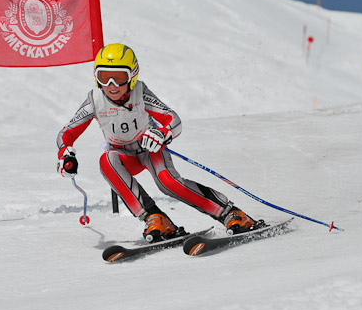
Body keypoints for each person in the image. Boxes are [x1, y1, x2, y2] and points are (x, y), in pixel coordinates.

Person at [56, 43, 263, 242]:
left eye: (119, 78)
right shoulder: (95, 99)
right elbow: (67, 132)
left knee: (167, 182)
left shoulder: (140, 92)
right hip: (123, 156)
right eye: (104, 77)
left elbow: (173, 119)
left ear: (132, 76)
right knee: (106, 160)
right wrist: (66, 154)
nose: (111, 86)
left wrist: (161, 134)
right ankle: (156, 219)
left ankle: (229, 213)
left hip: (150, 149)